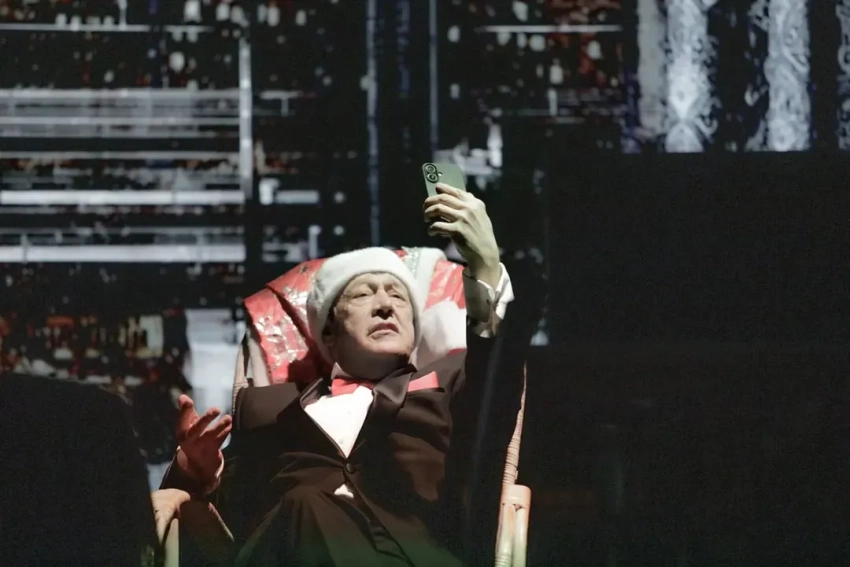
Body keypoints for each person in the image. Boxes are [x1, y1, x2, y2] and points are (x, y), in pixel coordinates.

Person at [156, 183, 536, 566]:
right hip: (291, 549)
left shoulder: (453, 383)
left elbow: (497, 377)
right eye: (363, 295)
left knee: (305, 505)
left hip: (410, 557)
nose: (385, 305)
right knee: (303, 507)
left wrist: (486, 265)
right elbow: (224, 522)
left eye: (398, 296)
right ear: (329, 335)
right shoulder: (269, 408)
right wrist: (196, 470)